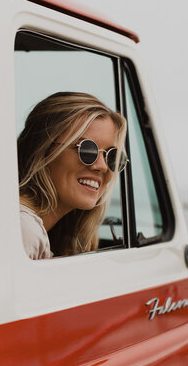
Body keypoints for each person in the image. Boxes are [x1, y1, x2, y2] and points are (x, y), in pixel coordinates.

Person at [18, 92, 127, 259]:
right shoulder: (24, 230)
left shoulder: (43, 232)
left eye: (112, 156)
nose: (103, 167)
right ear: (42, 151)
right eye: (87, 149)